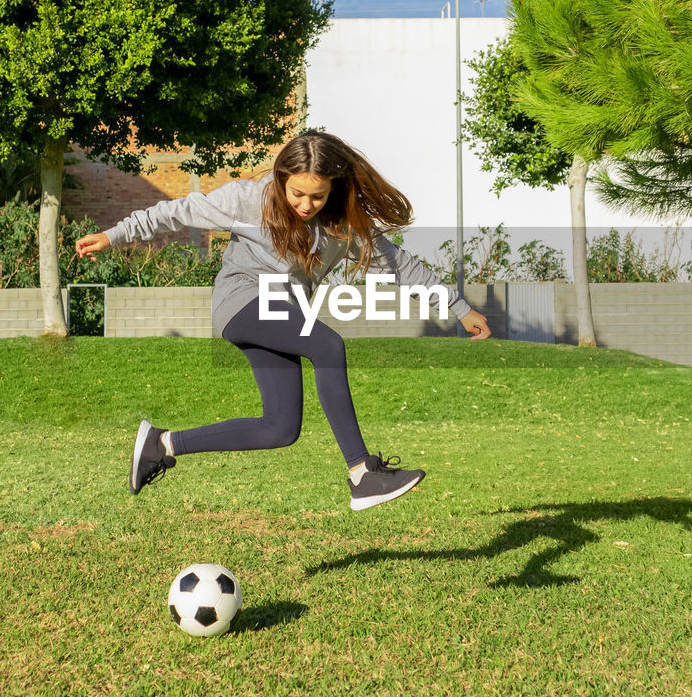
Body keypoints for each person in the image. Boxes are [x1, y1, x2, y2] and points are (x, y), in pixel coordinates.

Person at [75, 131, 491, 509]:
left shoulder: (342, 226)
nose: (306, 205)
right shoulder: (246, 200)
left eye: (317, 196)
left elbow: (401, 267)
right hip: (241, 300)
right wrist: (114, 236)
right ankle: (362, 474)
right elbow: (178, 212)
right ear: (280, 178)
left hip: (281, 311)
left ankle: (161, 444)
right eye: (297, 193)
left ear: (333, 189)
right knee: (327, 345)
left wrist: (460, 308)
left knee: (279, 428)